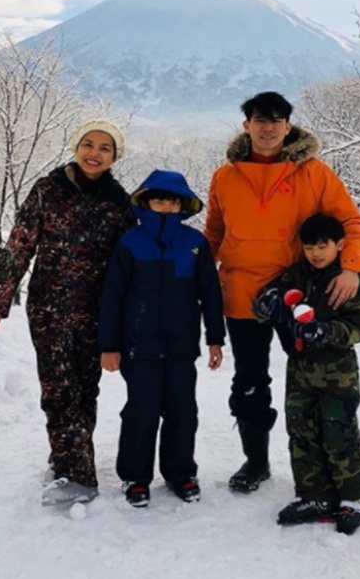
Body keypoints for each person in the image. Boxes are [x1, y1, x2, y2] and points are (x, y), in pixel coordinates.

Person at [204, 91, 360, 493]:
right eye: (260, 119)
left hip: (300, 293)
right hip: (243, 293)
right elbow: (214, 233)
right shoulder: (225, 176)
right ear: (246, 125)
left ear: (288, 125)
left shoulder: (313, 172)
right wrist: (185, 276)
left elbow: (349, 220)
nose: (268, 127)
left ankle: (330, 467)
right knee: (249, 380)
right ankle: (256, 462)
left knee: (317, 381)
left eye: (277, 119)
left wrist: (351, 267)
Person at [0, 119, 135, 506]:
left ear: (114, 156)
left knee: (86, 391)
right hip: (48, 309)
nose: (94, 153)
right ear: (75, 146)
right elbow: (20, 245)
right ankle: (77, 477)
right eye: (88, 144)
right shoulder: (47, 190)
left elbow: (128, 264)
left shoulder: (119, 202)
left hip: (96, 312)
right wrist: (0, 299)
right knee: (57, 391)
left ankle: (68, 455)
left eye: (105, 148)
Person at [97, 169, 225, 508]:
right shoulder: (130, 242)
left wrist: (215, 338)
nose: (165, 205)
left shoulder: (196, 244)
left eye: (172, 200)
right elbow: (112, 296)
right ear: (145, 200)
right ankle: (135, 477)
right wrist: (108, 345)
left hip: (182, 348)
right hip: (139, 347)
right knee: (142, 411)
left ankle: (180, 473)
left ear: (182, 204)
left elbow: (210, 294)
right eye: (159, 198)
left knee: (183, 410)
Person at [253, 213, 360, 534]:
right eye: (309, 247)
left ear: (339, 245)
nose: (316, 253)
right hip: (300, 371)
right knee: (302, 432)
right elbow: (264, 303)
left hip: (338, 372)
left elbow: (359, 325)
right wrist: (268, 305)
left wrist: (326, 331)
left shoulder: (350, 283)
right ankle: (314, 495)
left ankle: (353, 496)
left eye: (323, 246)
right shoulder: (296, 275)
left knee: (339, 432)